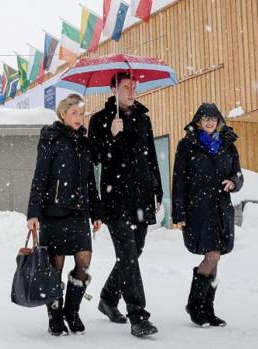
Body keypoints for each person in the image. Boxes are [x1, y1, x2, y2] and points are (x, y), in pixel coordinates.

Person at [88, 72, 162, 338]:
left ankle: (108, 298)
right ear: (114, 89)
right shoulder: (99, 120)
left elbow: (150, 156)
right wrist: (110, 134)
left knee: (135, 250)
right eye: (127, 87)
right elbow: (94, 156)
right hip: (115, 197)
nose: (132, 92)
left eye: (134, 87)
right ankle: (138, 316)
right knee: (128, 254)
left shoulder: (144, 118)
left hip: (141, 196)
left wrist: (158, 187)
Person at [27, 94, 103, 336]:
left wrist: (96, 212)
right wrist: (33, 212)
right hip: (54, 211)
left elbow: (90, 180)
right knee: (56, 265)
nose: (79, 118)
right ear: (63, 114)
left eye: (81, 114)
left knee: (84, 261)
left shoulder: (84, 142)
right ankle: (55, 314)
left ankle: (72, 310)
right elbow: (40, 175)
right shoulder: (51, 138)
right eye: (74, 113)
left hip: (79, 211)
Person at [171, 102, 244, 328]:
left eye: (213, 118)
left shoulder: (228, 146)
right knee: (212, 255)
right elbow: (179, 181)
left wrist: (234, 182)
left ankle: (208, 309)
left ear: (219, 121)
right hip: (198, 209)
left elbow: (238, 174)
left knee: (216, 257)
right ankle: (195, 305)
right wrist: (179, 213)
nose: (210, 122)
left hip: (221, 208)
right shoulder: (187, 146)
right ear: (198, 122)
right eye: (205, 119)